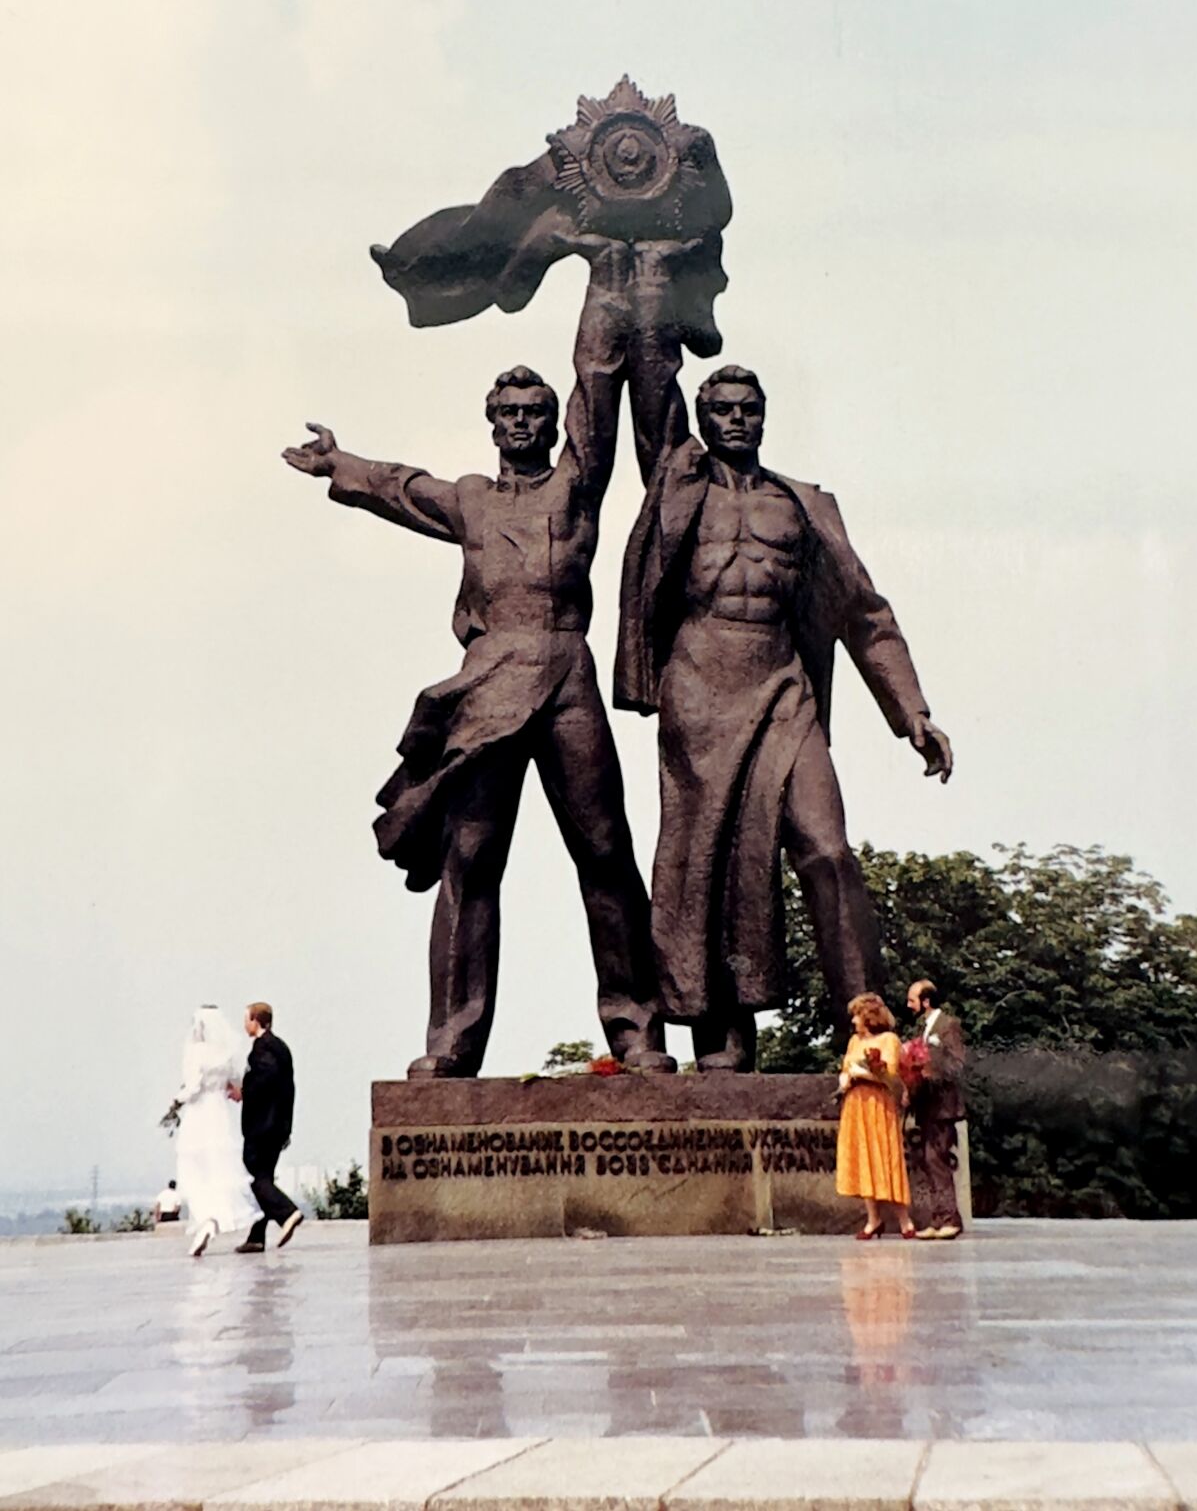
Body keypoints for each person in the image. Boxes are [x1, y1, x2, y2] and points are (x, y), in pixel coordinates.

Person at [283, 247, 677, 1079]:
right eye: (511, 414)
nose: (526, 423)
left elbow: (595, 388)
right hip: (490, 685)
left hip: (566, 678)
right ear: (492, 424)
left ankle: (636, 1031)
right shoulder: (470, 498)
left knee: (605, 852)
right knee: (471, 862)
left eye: (536, 411)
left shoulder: (575, 486)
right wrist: (339, 464)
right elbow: (400, 486)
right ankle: (453, 1043)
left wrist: (604, 283)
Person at [616, 360, 953, 1069]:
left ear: (764, 416)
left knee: (826, 849)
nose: (736, 418)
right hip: (700, 686)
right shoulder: (679, 485)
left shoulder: (801, 506)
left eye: (748, 408)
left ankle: (866, 1031)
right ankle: (722, 1037)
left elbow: (865, 613)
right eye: (723, 409)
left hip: (781, 682)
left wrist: (911, 711)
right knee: (706, 862)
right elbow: (650, 379)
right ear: (703, 422)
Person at [172, 1005, 258, 1257]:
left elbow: (193, 1086)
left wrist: (178, 1099)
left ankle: (206, 1218)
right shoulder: (226, 1053)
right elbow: (236, 1081)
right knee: (218, 1169)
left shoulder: (195, 1052)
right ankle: (214, 1216)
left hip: (199, 1113)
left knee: (193, 1170)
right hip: (220, 1114)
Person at [836, 992, 915, 1239]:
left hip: (879, 1103)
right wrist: (845, 1078)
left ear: (869, 1016)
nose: (853, 1021)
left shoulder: (888, 1039)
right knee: (863, 1157)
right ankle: (873, 1220)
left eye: (857, 1015)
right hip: (856, 1103)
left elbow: (890, 1074)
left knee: (885, 1156)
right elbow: (845, 1068)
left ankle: (904, 1220)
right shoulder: (853, 1042)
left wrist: (864, 1073)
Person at [237, 1001, 302, 1254]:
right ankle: (256, 1236)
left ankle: (287, 1213)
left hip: (262, 1126)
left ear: (256, 1021)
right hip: (278, 1125)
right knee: (265, 1177)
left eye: (246, 1019)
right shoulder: (281, 1047)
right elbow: (288, 1089)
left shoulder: (262, 1049)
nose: (244, 1024)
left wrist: (244, 1091)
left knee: (254, 1175)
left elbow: (265, 1082)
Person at [906, 978, 967, 1240]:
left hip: (943, 1105)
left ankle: (951, 1218)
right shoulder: (921, 1027)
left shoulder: (948, 1025)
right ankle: (938, 1218)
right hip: (927, 1105)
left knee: (936, 1159)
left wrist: (931, 1069)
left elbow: (958, 1064)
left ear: (926, 1001)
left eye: (912, 1000)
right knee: (929, 1162)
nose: (909, 1005)